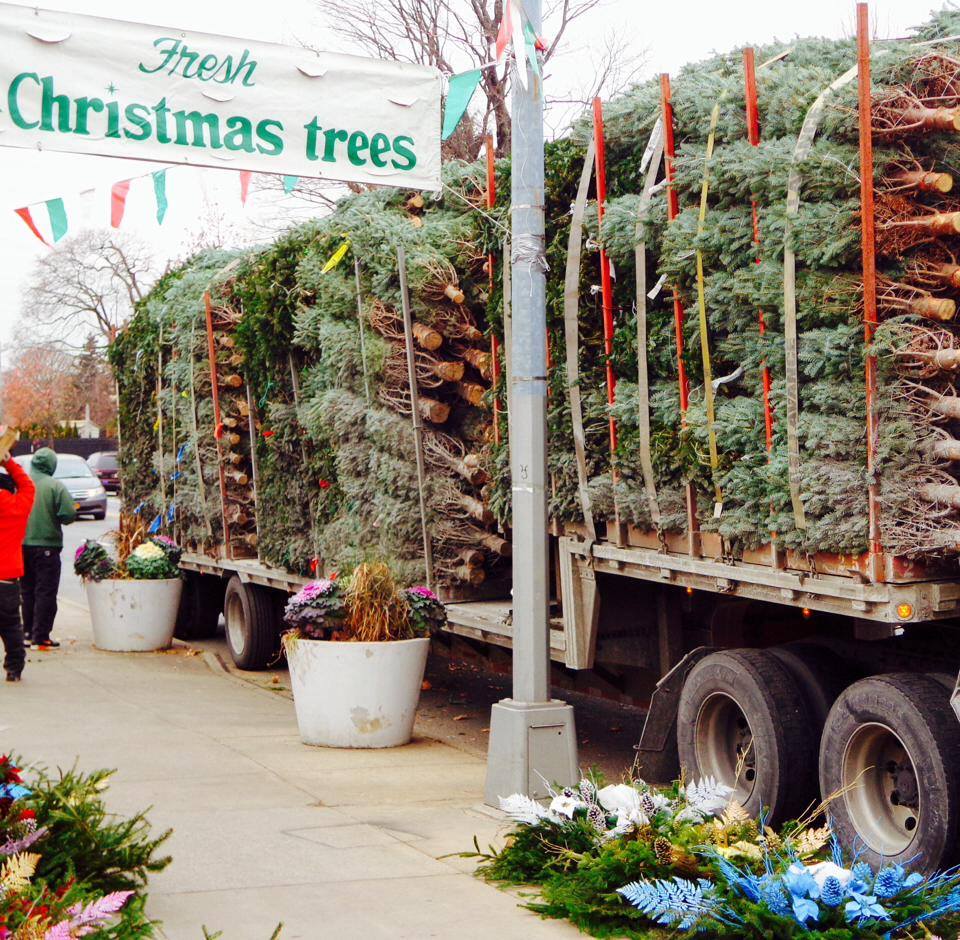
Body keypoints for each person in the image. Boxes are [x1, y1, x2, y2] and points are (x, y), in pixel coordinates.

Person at [21, 448, 76, 650]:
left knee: (26, 591)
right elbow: (68, 514)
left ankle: (26, 633)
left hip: (22, 546)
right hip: (47, 547)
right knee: (45, 591)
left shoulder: (22, 485)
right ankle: (41, 635)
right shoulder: (55, 486)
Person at [0, 448, 36, 681]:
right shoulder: (17, 507)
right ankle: (14, 667)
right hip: (7, 578)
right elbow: (29, 486)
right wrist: (9, 462)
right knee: (11, 625)